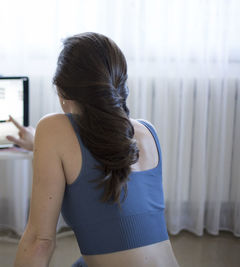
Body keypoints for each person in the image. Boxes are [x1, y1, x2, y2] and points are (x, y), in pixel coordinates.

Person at [10, 32, 179, 267]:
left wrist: (43, 140)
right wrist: (37, 144)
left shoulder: (52, 128)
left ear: (62, 91)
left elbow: (40, 241)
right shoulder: (147, 133)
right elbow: (96, 154)